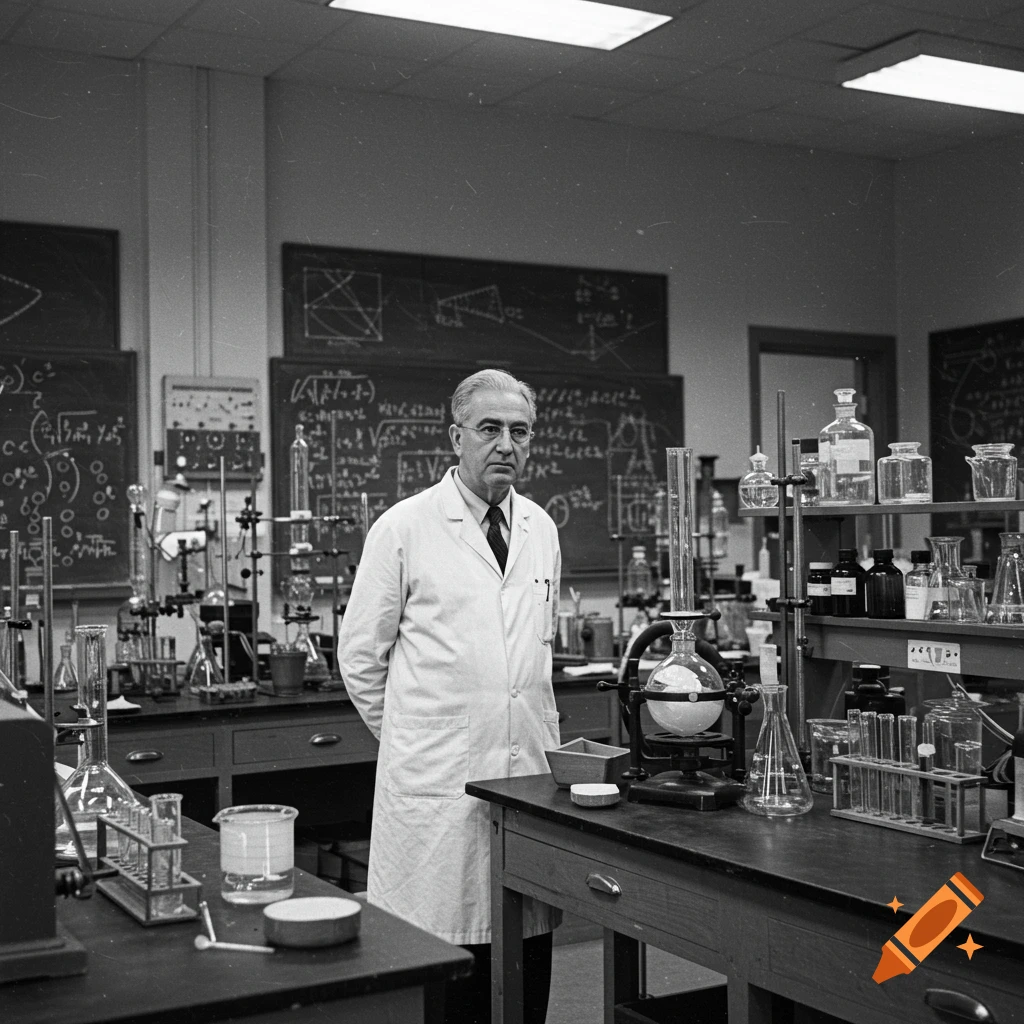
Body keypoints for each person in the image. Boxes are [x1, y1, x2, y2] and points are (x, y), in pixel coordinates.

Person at [338, 368, 561, 1024]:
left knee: (527, 959)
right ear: (456, 436)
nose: (505, 444)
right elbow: (360, 659)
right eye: (489, 429)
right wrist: (419, 735)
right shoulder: (405, 527)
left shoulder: (540, 528)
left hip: (527, 778)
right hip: (439, 786)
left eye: (520, 431)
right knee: (450, 970)